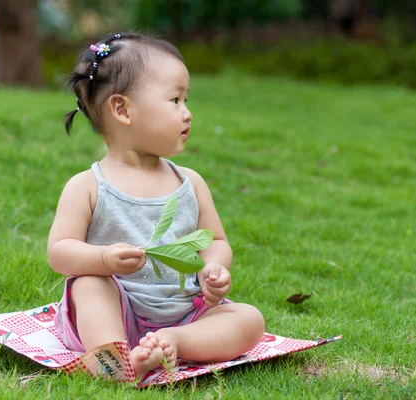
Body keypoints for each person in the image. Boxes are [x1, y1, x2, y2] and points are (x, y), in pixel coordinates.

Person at [48, 32, 265, 376]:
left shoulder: (189, 183)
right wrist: (103, 259)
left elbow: (216, 242)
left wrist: (214, 269)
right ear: (122, 109)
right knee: (89, 284)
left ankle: (173, 342)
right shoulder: (88, 186)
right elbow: (59, 252)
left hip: (186, 311)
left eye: (186, 100)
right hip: (119, 308)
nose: (187, 113)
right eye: (175, 100)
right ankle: (113, 353)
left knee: (250, 320)